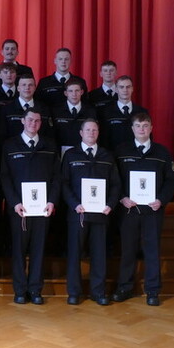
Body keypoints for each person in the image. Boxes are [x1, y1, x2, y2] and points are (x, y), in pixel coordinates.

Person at [113, 113, 174, 306]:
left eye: (146, 125)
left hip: (153, 211)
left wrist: (161, 199)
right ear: (132, 129)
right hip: (129, 210)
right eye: (138, 125)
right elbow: (115, 180)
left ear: (151, 128)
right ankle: (124, 287)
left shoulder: (162, 152)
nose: (142, 129)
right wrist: (122, 197)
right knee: (127, 250)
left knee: (152, 250)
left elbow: (171, 180)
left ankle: (153, 291)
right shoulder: (121, 151)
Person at [0, 107, 60, 304]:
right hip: (19, 209)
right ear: (22, 122)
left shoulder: (49, 145)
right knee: (18, 249)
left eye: (37, 121)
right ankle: (19, 289)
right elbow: (5, 177)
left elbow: (56, 177)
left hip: (43, 209)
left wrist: (52, 201)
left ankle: (35, 289)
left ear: (41, 123)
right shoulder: (10, 145)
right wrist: (14, 202)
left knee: (38, 249)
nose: (33, 124)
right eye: (30, 120)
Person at [61, 118, 121, 306]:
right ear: (81, 133)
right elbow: (64, 183)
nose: (91, 133)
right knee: (74, 253)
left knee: (99, 253)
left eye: (95, 130)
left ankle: (98, 291)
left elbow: (116, 184)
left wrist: (110, 204)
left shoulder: (107, 155)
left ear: (98, 133)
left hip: (101, 214)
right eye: (88, 130)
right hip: (77, 213)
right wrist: (74, 204)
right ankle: (74, 292)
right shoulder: (71, 155)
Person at [100, 75, 149, 150]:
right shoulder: (106, 112)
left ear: (132, 89)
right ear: (116, 89)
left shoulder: (142, 112)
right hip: (113, 157)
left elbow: (147, 137)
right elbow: (102, 139)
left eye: (128, 87)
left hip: (135, 156)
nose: (125, 90)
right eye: (121, 87)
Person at [0, 75, 52, 142]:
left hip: (39, 149)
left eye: (30, 85)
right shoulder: (7, 109)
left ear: (35, 88)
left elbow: (49, 134)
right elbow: (2, 135)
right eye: (24, 85)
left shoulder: (44, 109)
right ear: (18, 88)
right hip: (13, 150)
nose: (27, 88)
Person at [51, 78, 97, 153]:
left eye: (77, 91)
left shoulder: (90, 111)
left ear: (82, 92)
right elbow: (52, 134)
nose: (74, 94)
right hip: (60, 151)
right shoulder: (56, 111)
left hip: (83, 151)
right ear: (65, 93)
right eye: (70, 91)